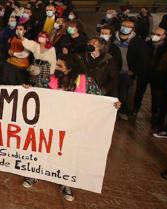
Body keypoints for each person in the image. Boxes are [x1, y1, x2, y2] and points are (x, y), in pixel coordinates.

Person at [22, 54, 121, 201]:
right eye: (56, 64)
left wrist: (112, 104)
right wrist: (28, 88)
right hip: (51, 123)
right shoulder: (50, 79)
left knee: (68, 153)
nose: (56, 68)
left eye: (60, 66)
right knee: (44, 148)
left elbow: (100, 99)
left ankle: (66, 182)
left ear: (71, 68)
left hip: (74, 126)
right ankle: (35, 174)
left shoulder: (85, 81)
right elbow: (37, 92)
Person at [114, 19, 150, 120]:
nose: (125, 27)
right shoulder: (113, 38)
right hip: (113, 71)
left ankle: (122, 111)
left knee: (124, 93)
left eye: (129, 26)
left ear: (133, 29)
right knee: (112, 91)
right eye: (124, 25)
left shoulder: (138, 42)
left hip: (127, 72)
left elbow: (143, 59)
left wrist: (134, 71)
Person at [136, 27, 167, 130]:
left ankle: (154, 114)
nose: (155, 35)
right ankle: (135, 109)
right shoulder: (146, 44)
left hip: (158, 76)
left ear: (164, 36)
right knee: (139, 91)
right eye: (154, 33)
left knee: (155, 95)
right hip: (144, 73)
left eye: (158, 34)